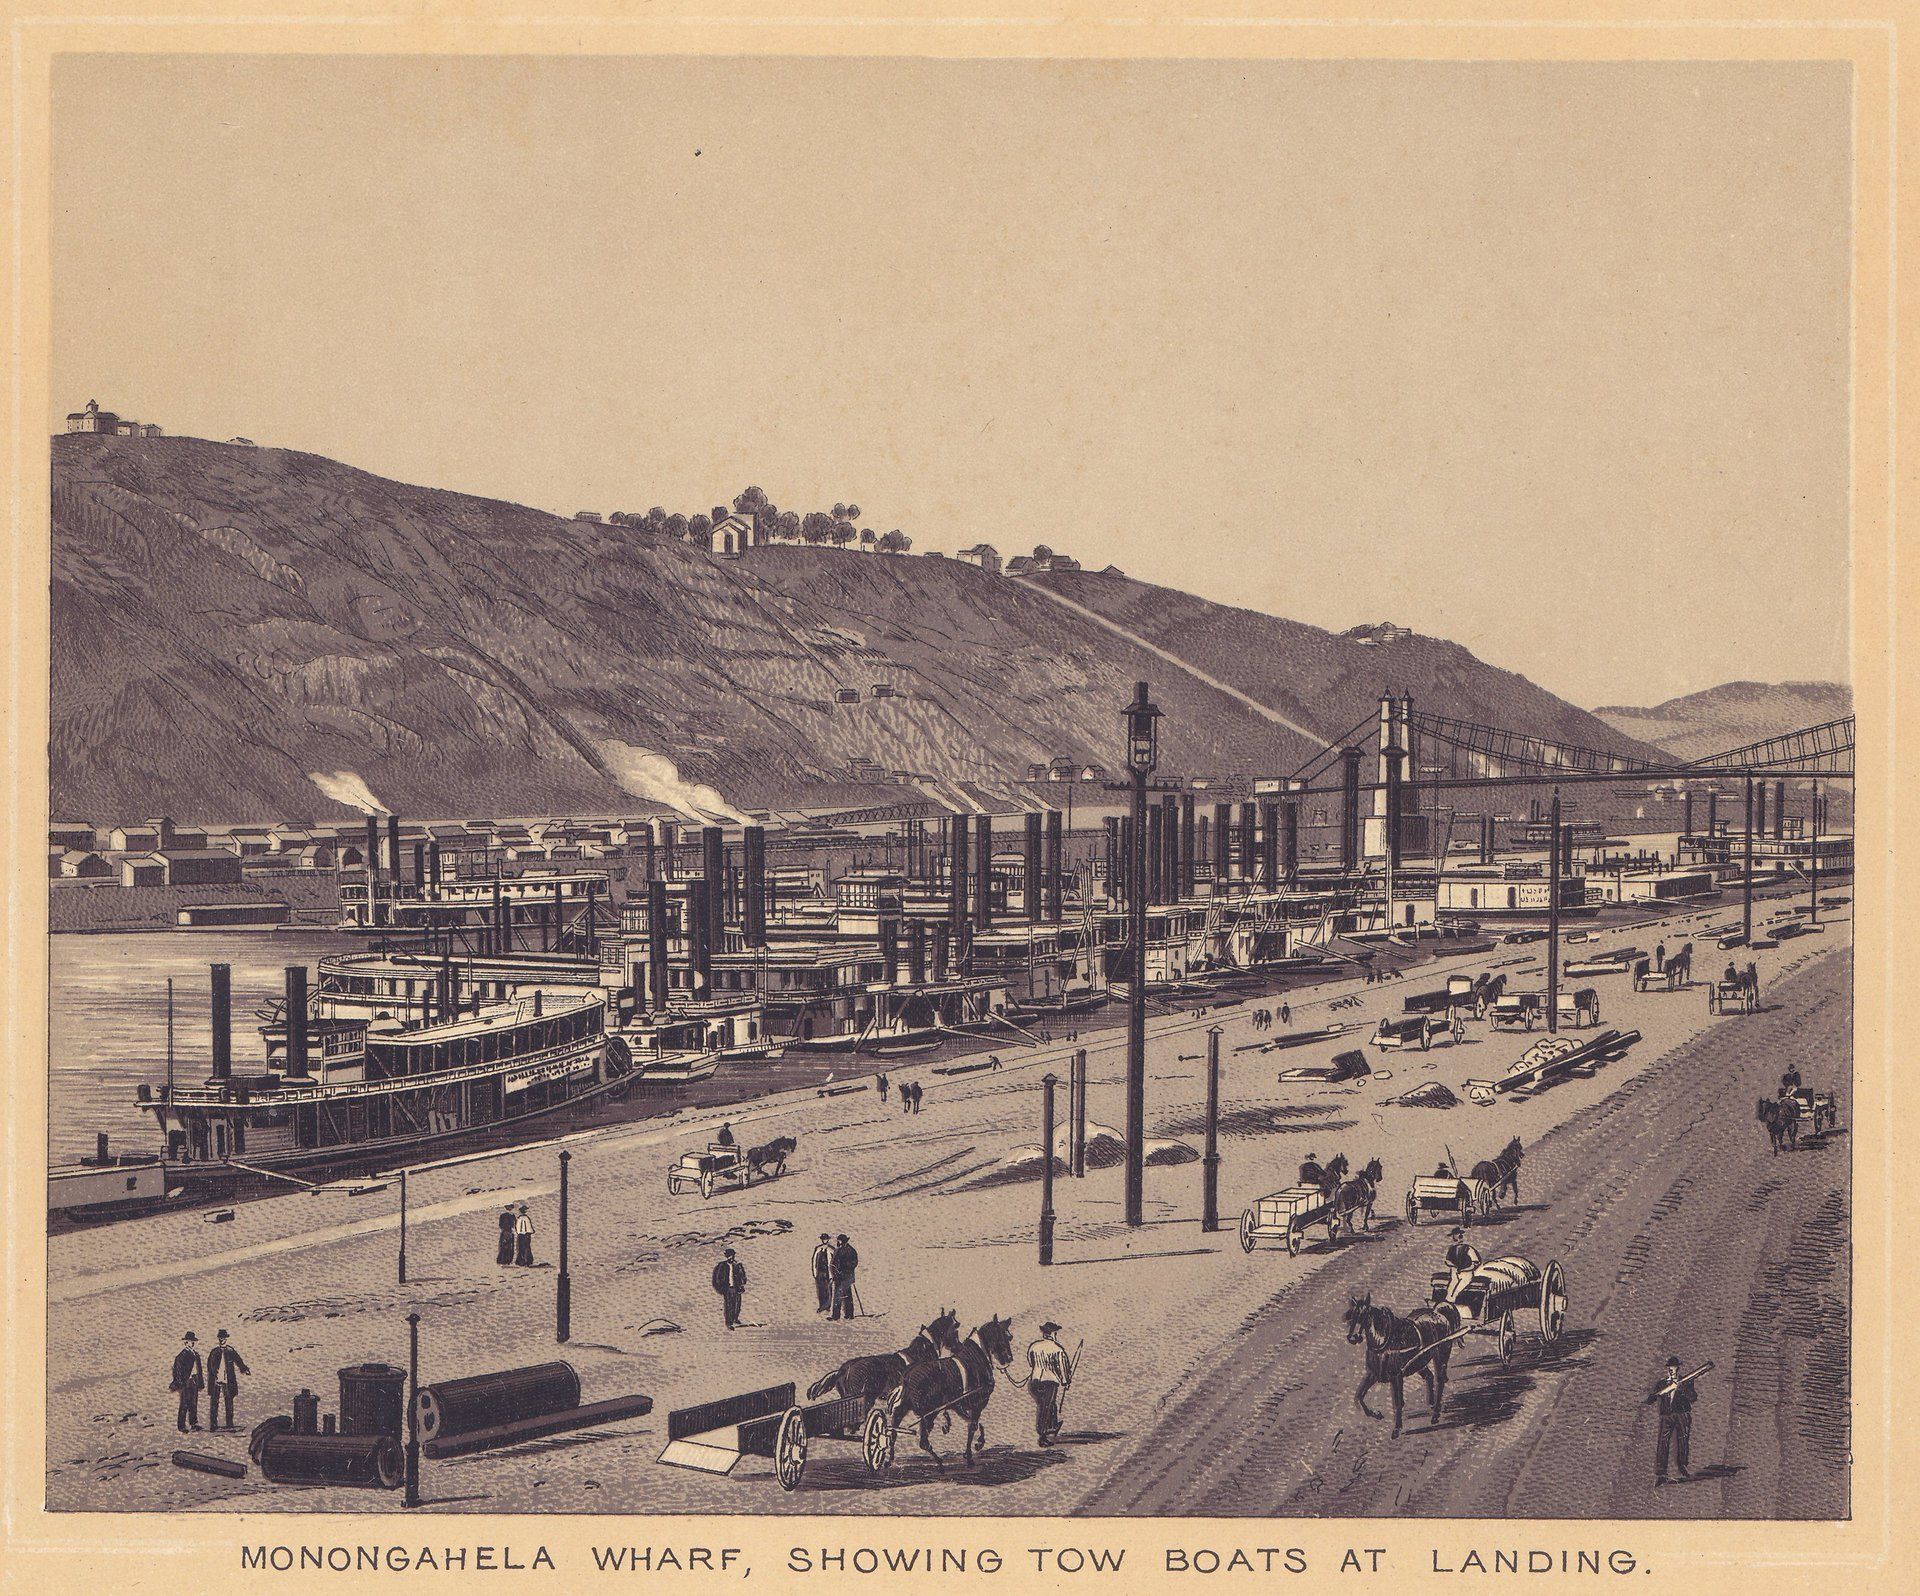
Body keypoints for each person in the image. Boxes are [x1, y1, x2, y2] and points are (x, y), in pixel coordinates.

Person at [1647, 1356, 1706, 1484]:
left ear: (1678, 1368)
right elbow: (1650, 1400)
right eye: (1669, 1368)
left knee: (1683, 1440)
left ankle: (1682, 1466)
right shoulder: (1661, 1383)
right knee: (1663, 1442)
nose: (1671, 1370)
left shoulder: (1686, 1381)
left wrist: (1681, 1388)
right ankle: (1661, 1473)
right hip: (1666, 1416)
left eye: (1674, 1367)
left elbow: (1693, 1398)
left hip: (1682, 1415)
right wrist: (1658, 1393)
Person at [1026, 1321, 1073, 1446]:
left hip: (1035, 1381)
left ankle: (1052, 1426)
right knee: (1045, 1407)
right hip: (1050, 1382)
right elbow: (1063, 1368)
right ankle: (1043, 1435)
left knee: (1046, 1405)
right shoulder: (1057, 1349)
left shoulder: (1034, 1346)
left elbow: (1031, 1362)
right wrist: (1065, 1381)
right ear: (1053, 1333)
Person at [206, 1328, 250, 1432]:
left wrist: (244, 1369)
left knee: (229, 1401)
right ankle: (213, 1425)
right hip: (216, 1381)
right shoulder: (214, 1351)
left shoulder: (230, 1351)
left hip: (228, 1380)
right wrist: (214, 1374)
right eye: (220, 1338)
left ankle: (229, 1424)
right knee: (214, 1402)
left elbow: (238, 1361)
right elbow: (209, 1365)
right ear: (218, 1339)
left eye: (224, 1338)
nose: (222, 1340)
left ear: (226, 1339)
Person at [169, 1331, 204, 1433]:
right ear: (185, 1343)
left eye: (193, 1342)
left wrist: (200, 1382)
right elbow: (178, 1370)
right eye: (189, 1342)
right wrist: (181, 1383)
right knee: (184, 1403)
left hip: (194, 1380)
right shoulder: (182, 1355)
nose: (191, 1343)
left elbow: (199, 1369)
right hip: (186, 1382)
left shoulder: (196, 1354)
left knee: (193, 1403)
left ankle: (194, 1423)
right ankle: (181, 1425)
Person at [712, 1247, 747, 1330]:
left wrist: (742, 1284)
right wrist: (720, 1289)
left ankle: (735, 1318)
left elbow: (743, 1277)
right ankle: (729, 1323)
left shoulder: (738, 1265)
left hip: (736, 1288)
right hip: (727, 1289)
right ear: (726, 1256)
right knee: (729, 1306)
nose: (731, 1257)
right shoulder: (721, 1266)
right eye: (729, 1256)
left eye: (732, 1256)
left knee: (737, 1304)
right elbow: (716, 1278)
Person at [1443, 1227, 1480, 1303]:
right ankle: (1448, 1301)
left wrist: (1465, 1269)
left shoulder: (1469, 1249)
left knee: (1458, 1288)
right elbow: (1447, 1261)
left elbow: (1476, 1263)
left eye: (1459, 1238)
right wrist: (1454, 1266)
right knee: (1451, 1287)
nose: (1458, 1241)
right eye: (1455, 1239)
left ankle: (1451, 1301)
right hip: (1455, 1273)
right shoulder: (1452, 1249)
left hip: (1466, 1273)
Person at [829, 1233, 859, 1320]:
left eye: (840, 1241)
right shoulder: (838, 1250)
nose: (838, 1242)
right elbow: (833, 1262)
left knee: (846, 1295)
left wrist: (845, 1267)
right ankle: (835, 1316)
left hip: (847, 1277)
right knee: (837, 1296)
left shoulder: (851, 1250)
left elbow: (854, 1262)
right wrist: (834, 1272)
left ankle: (849, 1315)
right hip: (838, 1276)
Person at [811, 1233, 833, 1313]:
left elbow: (833, 1263)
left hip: (828, 1272)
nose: (825, 1240)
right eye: (823, 1239)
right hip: (820, 1272)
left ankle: (827, 1306)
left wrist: (832, 1274)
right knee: (821, 1289)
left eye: (826, 1239)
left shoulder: (831, 1249)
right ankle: (822, 1305)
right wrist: (814, 1272)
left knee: (828, 1289)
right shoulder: (818, 1249)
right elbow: (814, 1261)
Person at [513, 1202, 535, 1266]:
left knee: (520, 1248)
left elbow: (517, 1228)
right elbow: (529, 1228)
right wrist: (531, 1232)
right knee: (527, 1247)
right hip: (526, 1235)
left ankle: (520, 1261)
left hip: (520, 1235)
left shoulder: (519, 1218)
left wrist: (518, 1233)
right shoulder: (526, 1218)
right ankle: (527, 1260)